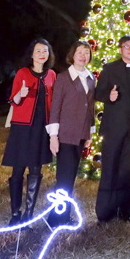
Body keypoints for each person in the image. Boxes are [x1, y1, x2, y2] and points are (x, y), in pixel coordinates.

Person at [95, 35, 130, 222]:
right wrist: (108, 96)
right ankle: (105, 212)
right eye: (127, 46)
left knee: (129, 170)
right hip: (113, 128)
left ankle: (125, 211)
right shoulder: (109, 69)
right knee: (110, 168)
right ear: (120, 49)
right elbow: (98, 92)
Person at [2, 38, 57, 224]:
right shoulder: (22, 73)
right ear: (32, 54)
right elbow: (13, 100)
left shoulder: (51, 75)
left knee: (35, 169)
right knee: (18, 169)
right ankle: (15, 214)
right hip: (23, 128)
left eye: (45, 51)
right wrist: (21, 94)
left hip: (41, 128)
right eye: (38, 51)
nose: (42, 54)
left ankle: (28, 215)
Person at [46, 40, 95, 225]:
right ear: (72, 55)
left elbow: (90, 107)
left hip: (80, 135)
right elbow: (55, 107)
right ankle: (55, 219)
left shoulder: (90, 78)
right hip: (65, 135)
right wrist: (53, 136)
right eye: (79, 52)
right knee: (64, 179)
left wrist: (89, 133)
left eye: (86, 52)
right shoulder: (63, 78)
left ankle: (63, 216)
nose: (83, 56)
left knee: (71, 177)